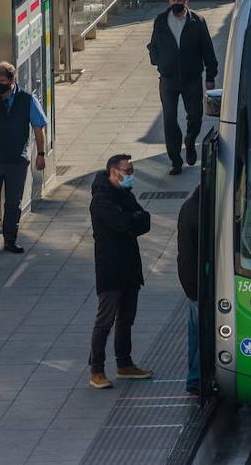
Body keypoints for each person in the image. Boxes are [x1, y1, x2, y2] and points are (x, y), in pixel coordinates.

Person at [88, 153, 154, 389]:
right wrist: (131, 221)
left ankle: (124, 363)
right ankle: (96, 370)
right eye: (128, 171)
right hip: (111, 269)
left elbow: (144, 220)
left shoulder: (125, 195)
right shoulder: (101, 200)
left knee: (126, 319)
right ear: (114, 173)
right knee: (105, 321)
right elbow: (125, 223)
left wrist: (132, 220)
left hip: (130, 268)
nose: (131, 175)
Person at [0, 61, 48, 256]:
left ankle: (10, 239)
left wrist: (41, 154)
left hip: (17, 160)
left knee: (14, 202)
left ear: (12, 80)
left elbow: (39, 128)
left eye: (1, 81)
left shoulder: (28, 100)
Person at [147, 0, 218, 176]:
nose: (175, 4)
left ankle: (190, 140)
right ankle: (175, 160)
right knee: (169, 119)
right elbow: (154, 45)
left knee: (195, 115)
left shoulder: (197, 22)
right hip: (168, 79)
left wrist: (210, 76)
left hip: (192, 78)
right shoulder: (161, 21)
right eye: (172, 1)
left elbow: (207, 49)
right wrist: (157, 59)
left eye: (179, 1)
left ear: (187, 1)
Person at [176, 186, 201, 395]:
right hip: (197, 282)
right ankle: (196, 377)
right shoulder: (200, 212)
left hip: (189, 280)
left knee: (194, 330)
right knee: (203, 331)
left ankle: (194, 377)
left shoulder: (188, 207)